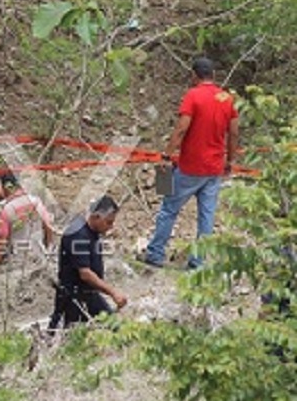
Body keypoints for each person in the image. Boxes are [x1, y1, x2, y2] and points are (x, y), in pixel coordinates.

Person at [142, 57, 239, 269]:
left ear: (194, 75)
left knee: (169, 209)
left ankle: (155, 253)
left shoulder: (193, 95)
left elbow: (181, 129)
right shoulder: (226, 98)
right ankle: (198, 261)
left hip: (190, 167)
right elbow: (233, 133)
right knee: (207, 216)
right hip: (214, 169)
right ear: (213, 75)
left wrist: (167, 155)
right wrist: (230, 160)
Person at [50, 195, 127, 329]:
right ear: (96, 217)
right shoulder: (78, 235)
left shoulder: (93, 231)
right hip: (73, 296)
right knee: (68, 334)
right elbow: (85, 273)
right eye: (108, 222)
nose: (111, 227)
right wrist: (113, 292)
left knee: (114, 326)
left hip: (89, 293)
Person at [0, 172, 54, 265]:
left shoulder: (7, 210)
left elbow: (1, 238)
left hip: (19, 262)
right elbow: (48, 225)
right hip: (39, 258)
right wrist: (47, 248)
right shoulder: (35, 200)